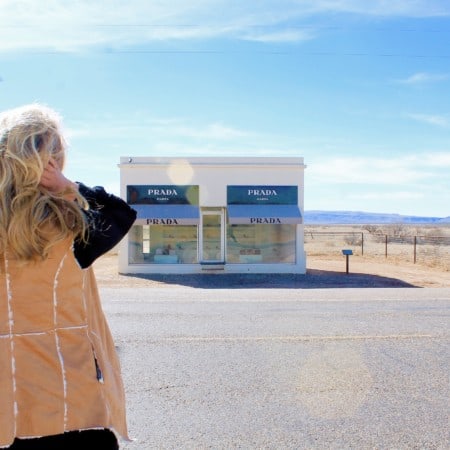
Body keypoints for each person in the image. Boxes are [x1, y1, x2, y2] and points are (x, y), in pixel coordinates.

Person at [0, 104, 137, 449]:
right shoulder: (72, 226)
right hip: (69, 400)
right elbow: (121, 213)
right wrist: (68, 187)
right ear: (51, 162)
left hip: (8, 403)